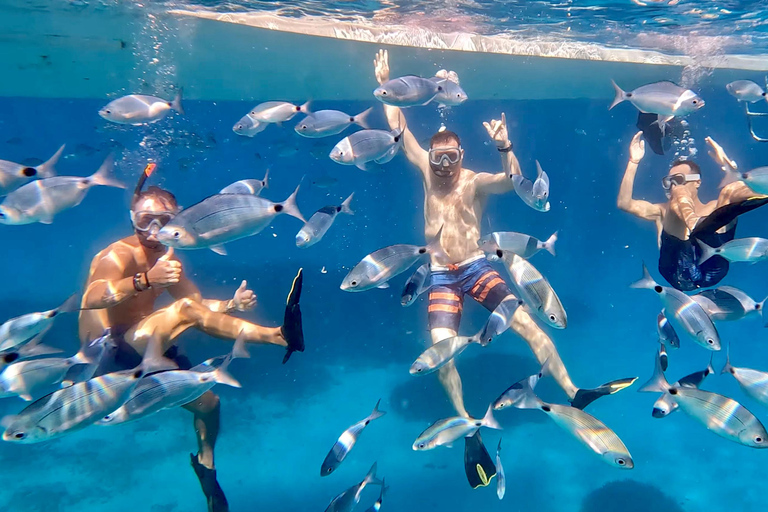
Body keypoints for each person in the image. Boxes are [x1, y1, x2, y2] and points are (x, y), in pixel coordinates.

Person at [373, 49, 636, 488]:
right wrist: (386, 89)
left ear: (460, 154)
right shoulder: (424, 169)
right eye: (437, 158)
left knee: (530, 326)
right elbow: (399, 130)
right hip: (438, 274)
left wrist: (504, 146)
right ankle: (465, 427)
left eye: (449, 157)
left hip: (476, 267)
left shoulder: (473, 180)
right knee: (441, 355)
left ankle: (575, 392)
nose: (442, 165)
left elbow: (513, 183)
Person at [78, 164, 305, 512]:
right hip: (106, 352)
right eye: (145, 220)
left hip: (148, 342)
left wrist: (231, 304)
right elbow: (94, 297)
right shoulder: (118, 255)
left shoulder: (167, 259)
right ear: (132, 218)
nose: (153, 230)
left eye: (163, 221)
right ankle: (278, 336)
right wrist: (146, 280)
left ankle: (206, 467)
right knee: (180, 312)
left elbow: (197, 307)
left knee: (209, 403)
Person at [618, 132, 768, 291]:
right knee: (679, 197)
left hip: (713, 269)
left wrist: (727, 166)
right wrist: (633, 161)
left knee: (730, 191)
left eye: (679, 180)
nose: (673, 186)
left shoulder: (713, 207)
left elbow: (735, 190)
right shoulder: (663, 210)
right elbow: (624, 203)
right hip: (678, 273)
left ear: (697, 182)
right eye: (668, 182)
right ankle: (694, 224)